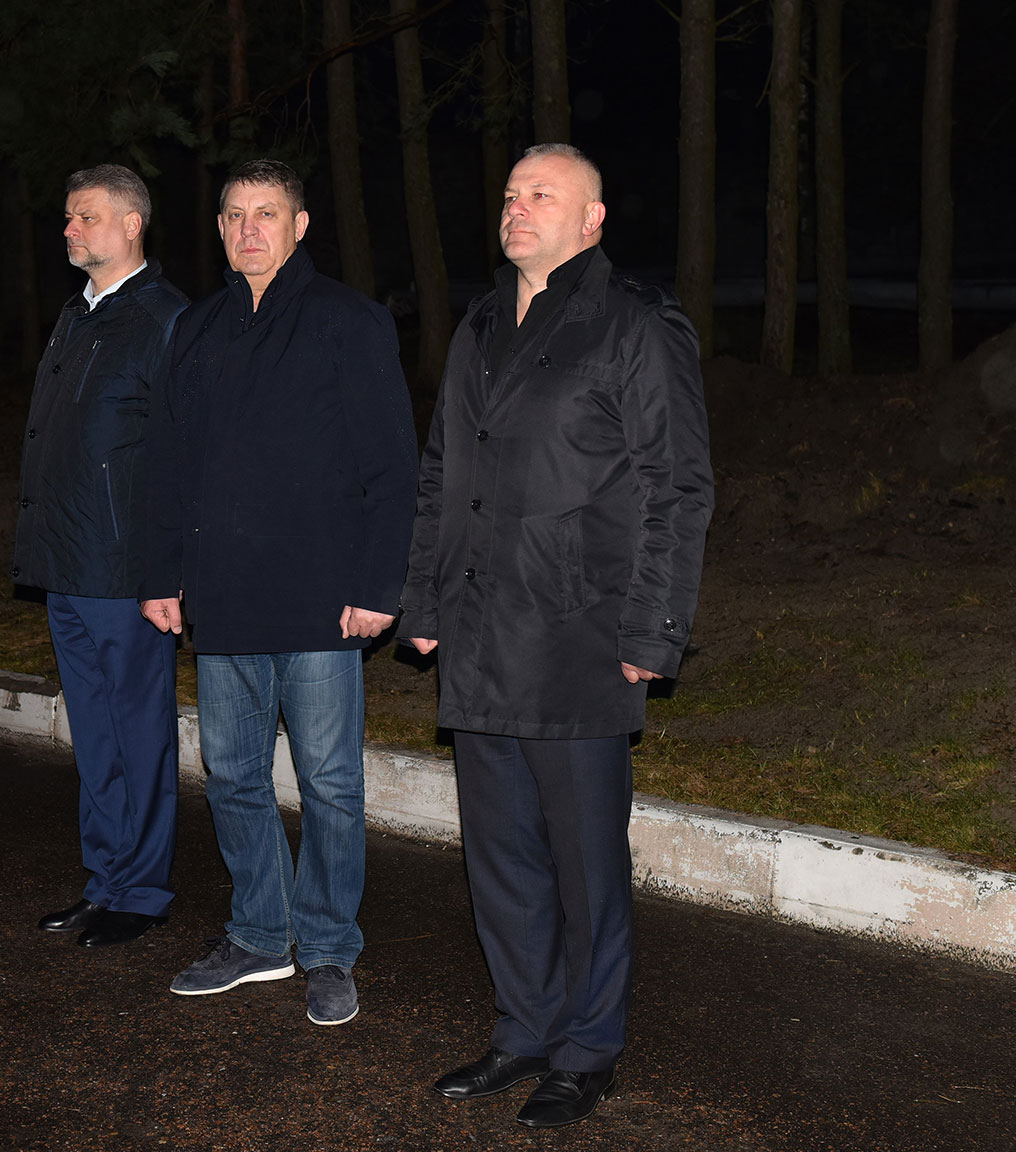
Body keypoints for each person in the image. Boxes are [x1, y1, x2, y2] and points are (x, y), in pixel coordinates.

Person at [398, 144, 712, 1128]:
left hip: (579, 632)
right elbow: (441, 473)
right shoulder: (482, 322)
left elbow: (675, 486)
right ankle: (524, 1029)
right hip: (480, 630)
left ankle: (587, 1049)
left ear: (592, 219)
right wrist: (425, 604)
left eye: (543, 194)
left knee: (585, 863)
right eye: (510, 194)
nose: (518, 208)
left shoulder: (634, 323)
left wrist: (655, 629)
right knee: (500, 857)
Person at [139, 158, 418, 1026]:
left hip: (322, 600)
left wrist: (380, 584)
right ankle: (261, 934)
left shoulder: (348, 321)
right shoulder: (195, 328)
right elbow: (168, 461)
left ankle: (329, 947)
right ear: (220, 228)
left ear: (299, 226)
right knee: (232, 776)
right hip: (222, 595)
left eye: (267, 213)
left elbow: (392, 465)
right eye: (234, 214)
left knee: (330, 783)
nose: (248, 229)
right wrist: (160, 573)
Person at [15, 164, 189, 949]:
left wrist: (167, 571)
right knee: (94, 736)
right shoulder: (76, 314)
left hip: (125, 573)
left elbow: (182, 455)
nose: (70, 229)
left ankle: (143, 891)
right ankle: (105, 881)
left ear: (131, 224)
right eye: (67, 217)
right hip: (66, 562)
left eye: (85, 216)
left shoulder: (164, 318)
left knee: (138, 735)